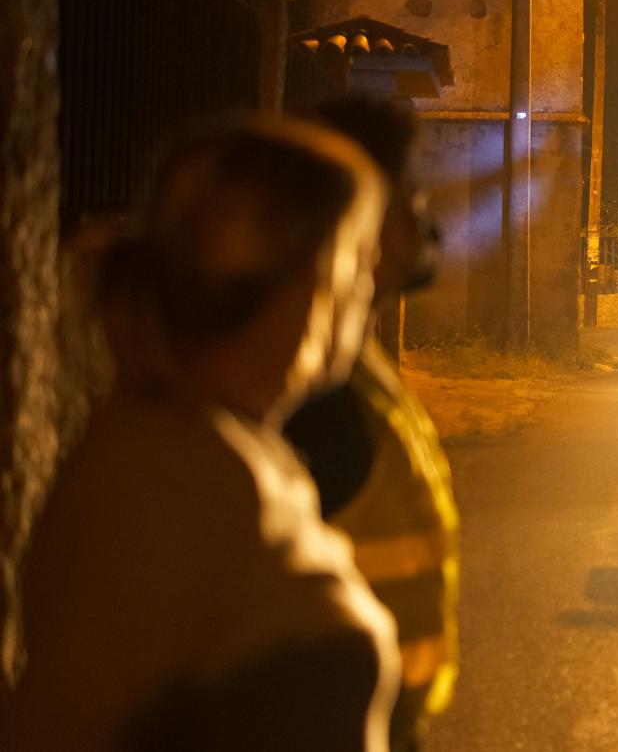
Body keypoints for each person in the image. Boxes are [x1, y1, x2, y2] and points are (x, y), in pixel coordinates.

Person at [3, 117, 399, 752]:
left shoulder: (229, 449)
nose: (371, 284)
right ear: (305, 280)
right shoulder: (170, 480)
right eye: (357, 256)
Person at [285, 94, 460, 751]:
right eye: (412, 199)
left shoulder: (350, 363)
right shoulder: (312, 393)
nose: (427, 225)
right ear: (367, 216)